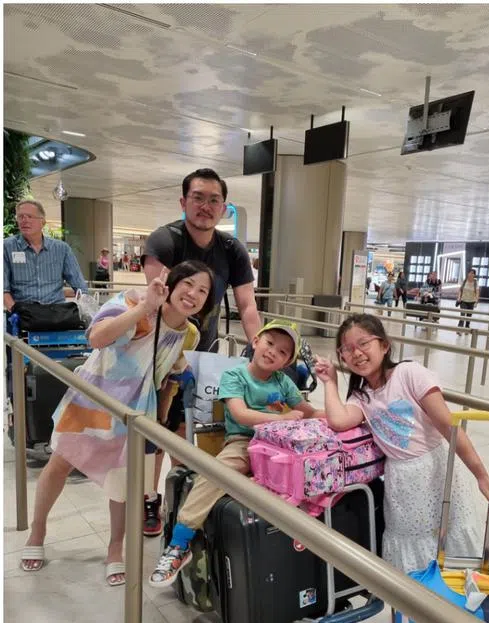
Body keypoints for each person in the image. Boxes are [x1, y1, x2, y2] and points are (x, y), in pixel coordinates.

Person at [312, 314, 489, 623]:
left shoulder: (410, 374)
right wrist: (331, 383)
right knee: (408, 572)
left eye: (363, 344)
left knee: (454, 560)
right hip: (402, 484)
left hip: (437, 473)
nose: (356, 353)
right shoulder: (362, 395)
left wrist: (484, 476)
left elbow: (450, 427)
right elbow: (338, 420)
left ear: (384, 345)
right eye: (347, 349)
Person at [18, 262, 212, 585]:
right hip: (94, 398)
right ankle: (37, 532)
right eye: (188, 284)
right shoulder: (134, 301)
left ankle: (115, 549)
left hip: (135, 412)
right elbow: (96, 337)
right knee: (59, 464)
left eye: (203, 290)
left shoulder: (188, 332)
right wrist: (146, 308)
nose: (193, 294)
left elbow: (167, 366)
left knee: (123, 484)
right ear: (172, 283)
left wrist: (166, 407)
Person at [149, 319, 320, 586]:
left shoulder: (283, 382)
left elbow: (309, 412)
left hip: (280, 448)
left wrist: (347, 414)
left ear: (287, 362)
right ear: (255, 341)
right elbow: (240, 413)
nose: (274, 351)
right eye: (270, 342)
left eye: (283, 351)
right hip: (245, 444)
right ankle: (179, 544)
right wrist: (284, 419)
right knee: (214, 474)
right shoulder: (235, 375)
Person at [140, 168, 261, 538]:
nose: (205, 206)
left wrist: (259, 349)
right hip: (157, 352)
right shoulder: (165, 240)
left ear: (224, 208)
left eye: (214, 200)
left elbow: (248, 305)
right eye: (198, 197)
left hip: (202, 354)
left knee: (185, 427)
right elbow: (156, 300)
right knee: (154, 431)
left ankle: (184, 493)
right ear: (183, 202)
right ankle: (150, 497)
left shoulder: (231, 249)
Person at [3, 199, 88, 310]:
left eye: (30, 216)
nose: (24, 220)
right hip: (23, 314)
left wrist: (84, 310)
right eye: (21, 217)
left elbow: (80, 287)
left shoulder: (61, 249)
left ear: (42, 222)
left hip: (56, 314)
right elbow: (3, 289)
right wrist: (16, 312)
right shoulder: (6, 247)